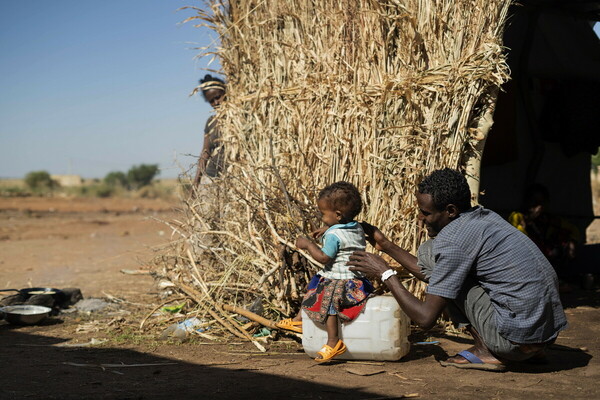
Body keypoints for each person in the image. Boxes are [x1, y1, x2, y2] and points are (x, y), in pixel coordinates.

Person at [347, 168, 568, 371]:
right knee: (445, 271)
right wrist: (385, 244)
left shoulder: (453, 242)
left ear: (450, 210)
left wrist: (385, 273)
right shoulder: (485, 217)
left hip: (513, 344)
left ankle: (487, 351)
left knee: (429, 252)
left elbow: (425, 319)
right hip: (544, 337)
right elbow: (441, 274)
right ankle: (530, 350)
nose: (420, 219)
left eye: (426, 212)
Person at [276, 182, 374, 362]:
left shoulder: (333, 235)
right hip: (357, 280)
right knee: (315, 284)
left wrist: (308, 244)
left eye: (323, 214)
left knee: (329, 301)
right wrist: (329, 227)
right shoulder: (356, 227)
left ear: (337, 215)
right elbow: (344, 229)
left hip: (342, 283)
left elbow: (323, 258)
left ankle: (333, 342)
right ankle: (299, 320)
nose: (321, 218)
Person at [508, 184, 580, 286]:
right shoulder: (517, 216)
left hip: (547, 259)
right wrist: (528, 221)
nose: (539, 206)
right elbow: (520, 240)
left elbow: (573, 229)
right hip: (525, 261)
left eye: (542, 203)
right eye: (535, 202)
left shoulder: (548, 219)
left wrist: (572, 242)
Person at [192, 74, 227, 188]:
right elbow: (205, 151)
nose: (216, 103)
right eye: (211, 101)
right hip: (213, 176)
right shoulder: (211, 122)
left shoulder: (240, 116)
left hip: (235, 176)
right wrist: (196, 182)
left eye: (218, 97)